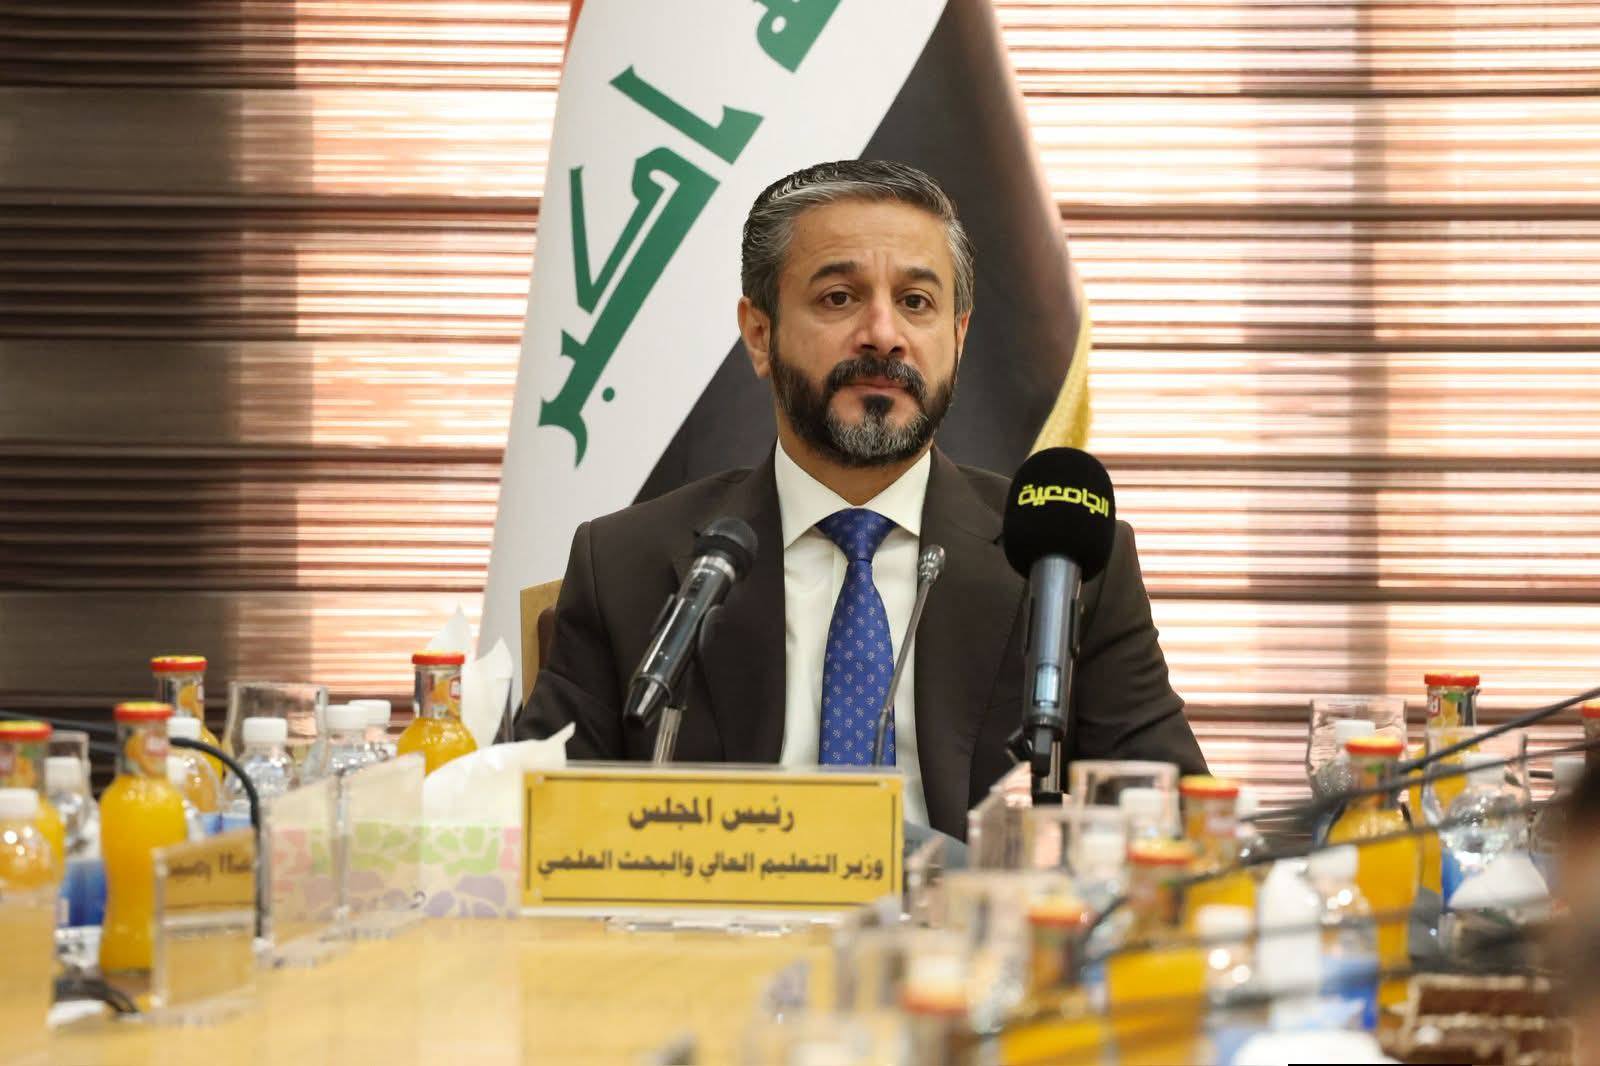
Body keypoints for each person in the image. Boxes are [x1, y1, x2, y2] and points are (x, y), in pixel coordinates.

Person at [516, 160, 1205, 840]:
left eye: (917, 302)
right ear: (760, 334)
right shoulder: (628, 563)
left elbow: (1173, 823)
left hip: (970, 914)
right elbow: (532, 830)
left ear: (958, 337)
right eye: (839, 297)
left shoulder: (1063, 562)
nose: (883, 333)